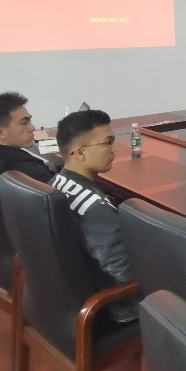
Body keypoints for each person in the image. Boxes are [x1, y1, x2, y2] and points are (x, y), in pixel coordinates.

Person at [50, 109, 137, 322]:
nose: (114, 149)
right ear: (80, 153)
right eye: (108, 142)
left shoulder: (55, 183)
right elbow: (124, 273)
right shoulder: (95, 208)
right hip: (117, 306)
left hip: (68, 296)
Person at [0, 91, 56, 181]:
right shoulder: (22, 167)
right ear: (1, 133)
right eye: (24, 122)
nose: (33, 128)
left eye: (29, 121)